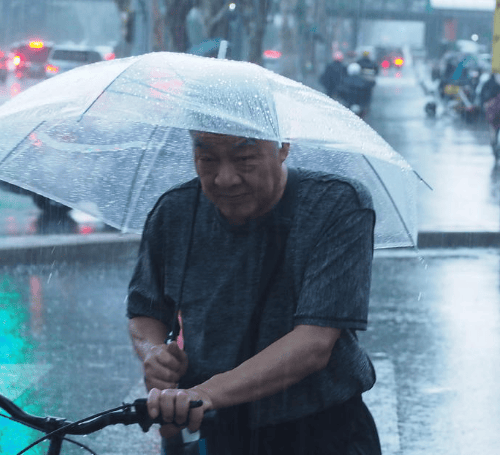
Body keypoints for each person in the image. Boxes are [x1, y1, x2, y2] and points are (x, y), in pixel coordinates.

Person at [126, 130, 382, 454]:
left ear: (283, 146)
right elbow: (144, 309)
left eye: (244, 159)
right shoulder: (173, 211)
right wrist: (152, 352)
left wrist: (207, 393)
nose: (225, 179)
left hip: (317, 429)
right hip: (211, 427)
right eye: (207, 160)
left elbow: (314, 343)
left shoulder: (336, 203)